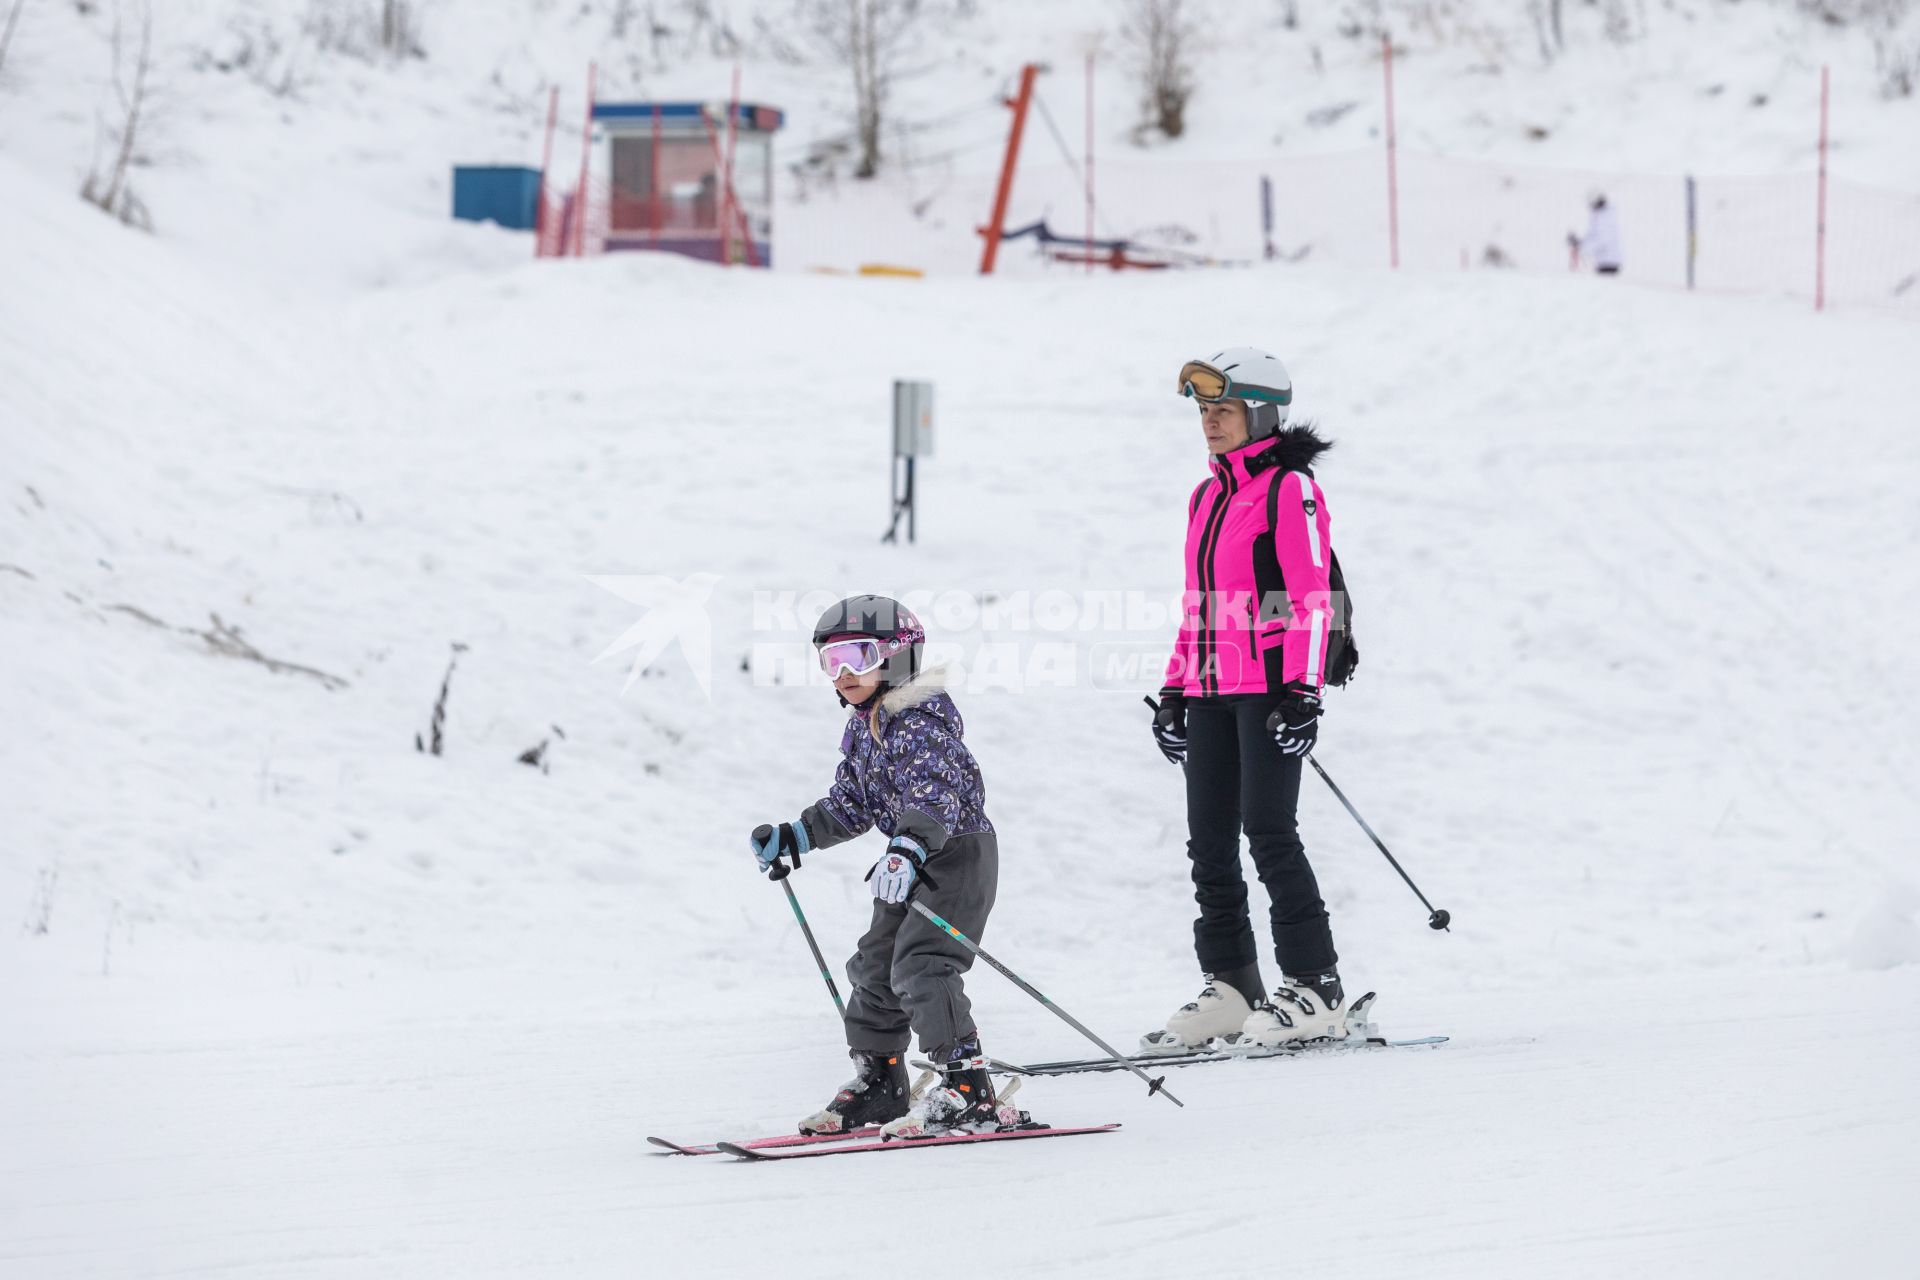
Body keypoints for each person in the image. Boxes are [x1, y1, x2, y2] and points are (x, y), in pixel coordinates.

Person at [1144, 348, 1350, 1054]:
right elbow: (1200, 604)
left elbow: (1310, 595)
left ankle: (1316, 985)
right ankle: (1233, 984)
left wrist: (1303, 691)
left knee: (1269, 832)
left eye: (1223, 410)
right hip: (1209, 688)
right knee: (1209, 844)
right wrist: (1174, 689)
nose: (1210, 423)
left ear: (1259, 415)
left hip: (1267, 688)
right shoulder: (1207, 496)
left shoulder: (1289, 490)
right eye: (1203, 411)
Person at [749, 595, 1007, 1139]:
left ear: (896, 658)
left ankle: (967, 1088)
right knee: (874, 968)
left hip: (955, 856)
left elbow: (934, 796)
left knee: (922, 967)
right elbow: (850, 805)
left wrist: (909, 847)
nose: (840, 674)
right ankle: (880, 1080)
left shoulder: (920, 724)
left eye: (855, 656)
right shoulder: (868, 728)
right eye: (829, 660)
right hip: (905, 859)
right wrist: (798, 836)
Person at [1570, 191, 1623, 275]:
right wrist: (1580, 243)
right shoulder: (1599, 218)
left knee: (1606, 286)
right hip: (1603, 261)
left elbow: (1601, 240)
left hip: (1608, 262)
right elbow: (1592, 236)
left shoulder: (1605, 219)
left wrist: (1582, 247)